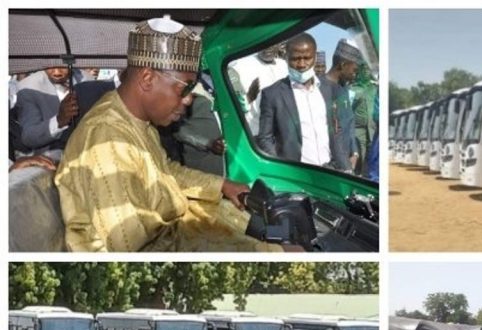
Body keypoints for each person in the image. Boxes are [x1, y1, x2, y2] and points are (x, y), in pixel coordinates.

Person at [55, 16, 283, 252]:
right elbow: (135, 248)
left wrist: (222, 185)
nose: (189, 99)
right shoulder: (107, 138)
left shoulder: (137, 121)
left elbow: (164, 171)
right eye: (184, 87)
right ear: (147, 79)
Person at [257, 33, 349, 171]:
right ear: (286, 58)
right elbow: (265, 138)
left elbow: (335, 131)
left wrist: (345, 167)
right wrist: (280, 170)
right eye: (295, 59)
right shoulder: (272, 94)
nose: (301, 64)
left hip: (330, 171)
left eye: (307, 58)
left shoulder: (329, 89)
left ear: (315, 57)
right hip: (297, 174)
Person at [14, 67, 90, 160]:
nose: (57, 72)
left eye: (62, 66)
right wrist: (59, 121)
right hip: (51, 159)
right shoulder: (28, 87)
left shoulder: (86, 79)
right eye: (50, 66)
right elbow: (29, 137)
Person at [324, 39, 364, 172]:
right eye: (354, 70)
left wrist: (354, 152)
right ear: (342, 65)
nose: (355, 75)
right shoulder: (320, 90)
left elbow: (350, 122)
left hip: (346, 161)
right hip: (329, 164)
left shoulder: (344, 89)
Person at [230, 44, 288, 136]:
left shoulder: (284, 66)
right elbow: (233, 102)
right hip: (255, 133)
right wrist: (248, 98)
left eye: (272, 42)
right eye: (266, 42)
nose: (268, 46)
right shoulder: (241, 65)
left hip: (282, 133)